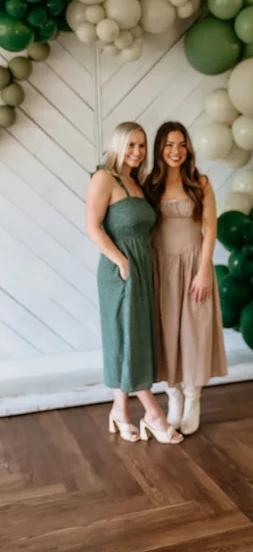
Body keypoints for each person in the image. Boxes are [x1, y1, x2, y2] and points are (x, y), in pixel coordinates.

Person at [85, 122, 183, 444]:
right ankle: (153, 415)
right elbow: (92, 227)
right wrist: (121, 260)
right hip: (120, 269)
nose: (138, 152)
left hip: (142, 267)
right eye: (131, 146)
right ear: (117, 146)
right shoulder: (105, 179)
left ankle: (119, 411)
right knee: (128, 338)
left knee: (131, 337)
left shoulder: (136, 183)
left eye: (141, 146)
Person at [145, 121, 227, 435]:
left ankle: (194, 397)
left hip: (194, 265)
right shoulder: (149, 184)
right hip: (161, 268)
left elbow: (210, 230)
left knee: (194, 333)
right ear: (159, 148)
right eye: (168, 145)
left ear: (188, 148)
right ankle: (174, 395)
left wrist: (204, 270)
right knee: (167, 333)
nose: (175, 151)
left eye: (181, 144)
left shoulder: (199, 182)